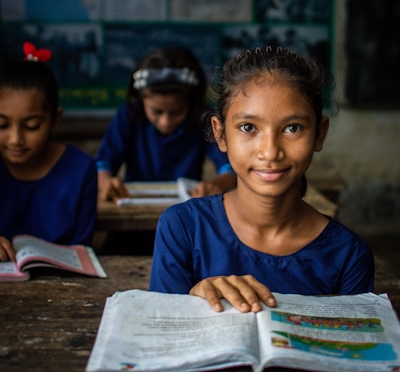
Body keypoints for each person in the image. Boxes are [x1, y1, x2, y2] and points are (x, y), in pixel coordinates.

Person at [149, 46, 374, 312]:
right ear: (220, 134)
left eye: (293, 128)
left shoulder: (347, 254)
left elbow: (353, 348)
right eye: (248, 127)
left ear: (319, 134)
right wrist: (195, 298)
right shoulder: (183, 227)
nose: (270, 151)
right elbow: (163, 332)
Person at [95, 47, 236, 254]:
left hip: (184, 222)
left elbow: (229, 166)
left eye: (176, 112)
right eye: (156, 111)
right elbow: (103, 162)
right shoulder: (128, 116)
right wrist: (106, 182)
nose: (166, 121)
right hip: (131, 224)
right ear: (141, 99)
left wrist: (217, 183)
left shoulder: (202, 119)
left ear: (191, 101)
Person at [0, 42, 97, 262]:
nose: (16, 139)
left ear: (55, 120)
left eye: (32, 125)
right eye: (2, 125)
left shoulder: (80, 169)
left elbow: (81, 250)